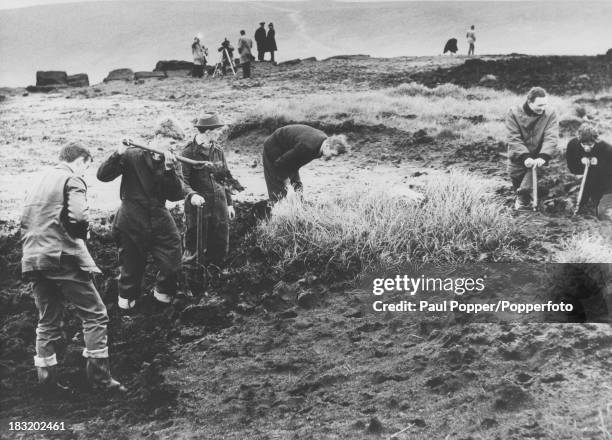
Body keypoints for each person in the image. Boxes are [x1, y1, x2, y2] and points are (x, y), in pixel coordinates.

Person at [21, 142, 125, 393]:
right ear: (79, 161)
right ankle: (100, 380)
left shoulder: (37, 180)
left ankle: (47, 381)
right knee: (96, 314)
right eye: (85, 168)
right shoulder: (72, 179)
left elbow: (25, 219)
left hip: (33, 259)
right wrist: (83, 234)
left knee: (47, 319)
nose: (84, 173)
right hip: (63, 258)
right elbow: (78, 217)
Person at [97, 119, 185, 310]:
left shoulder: (171, 161)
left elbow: (177, 194)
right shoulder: (132, 155)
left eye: (177, 144)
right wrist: (117, 152)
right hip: (131, 218)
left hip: (159, 216)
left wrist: (169, 171)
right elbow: (103, 175)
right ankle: (127, 310)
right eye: (172, 142)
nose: (174, 148)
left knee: (173, 260)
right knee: (131, 269)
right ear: (159, 137)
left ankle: (160, 301)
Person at [180, 113, 235, 295]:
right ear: (209, 131)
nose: (220, 134)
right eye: (217, 131)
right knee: (194, 251)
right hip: (198, 210)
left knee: (219, 247)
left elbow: (225, 177)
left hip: (219, 208)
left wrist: (229, 204)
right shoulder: (188, 152)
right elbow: (182, 181)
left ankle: (214, 287)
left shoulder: (217, 151)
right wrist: (192, 195)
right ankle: (191, 290)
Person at [263, 124, 349, 203]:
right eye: (332, 154)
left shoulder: (322, 142)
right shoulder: (308, 147)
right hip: (274, 149)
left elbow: (294, 162)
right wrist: (287, 185)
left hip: (288, 152)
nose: (332, 158)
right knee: (279, 191)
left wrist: (293, 183)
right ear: (327, 146)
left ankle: (297, 209)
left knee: (297, 188)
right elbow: (281, 164)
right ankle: (278, 214)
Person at [506, 87, 558, 210]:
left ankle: (528, 198)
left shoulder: (550, 113)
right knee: (518, 187)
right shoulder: (513, 113)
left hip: (538, 156)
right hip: (518, 157)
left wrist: (543, 156)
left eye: (545, 104)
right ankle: (526, 195)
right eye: (540, 105)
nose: (543, 108)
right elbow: (513, 137)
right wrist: (525, 156)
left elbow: (551, 136)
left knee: (524, 192)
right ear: (529, 102)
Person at [566, 122, 612, 219]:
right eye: (584, 144)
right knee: (573, 206)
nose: (587, 148)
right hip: (590, 183)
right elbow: (573, 169)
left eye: (590, 144)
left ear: (596, 140)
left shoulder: (607, 149)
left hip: (608, 186)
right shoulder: (573, 145)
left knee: (603, 213)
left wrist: (599, 164)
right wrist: (581, 161)